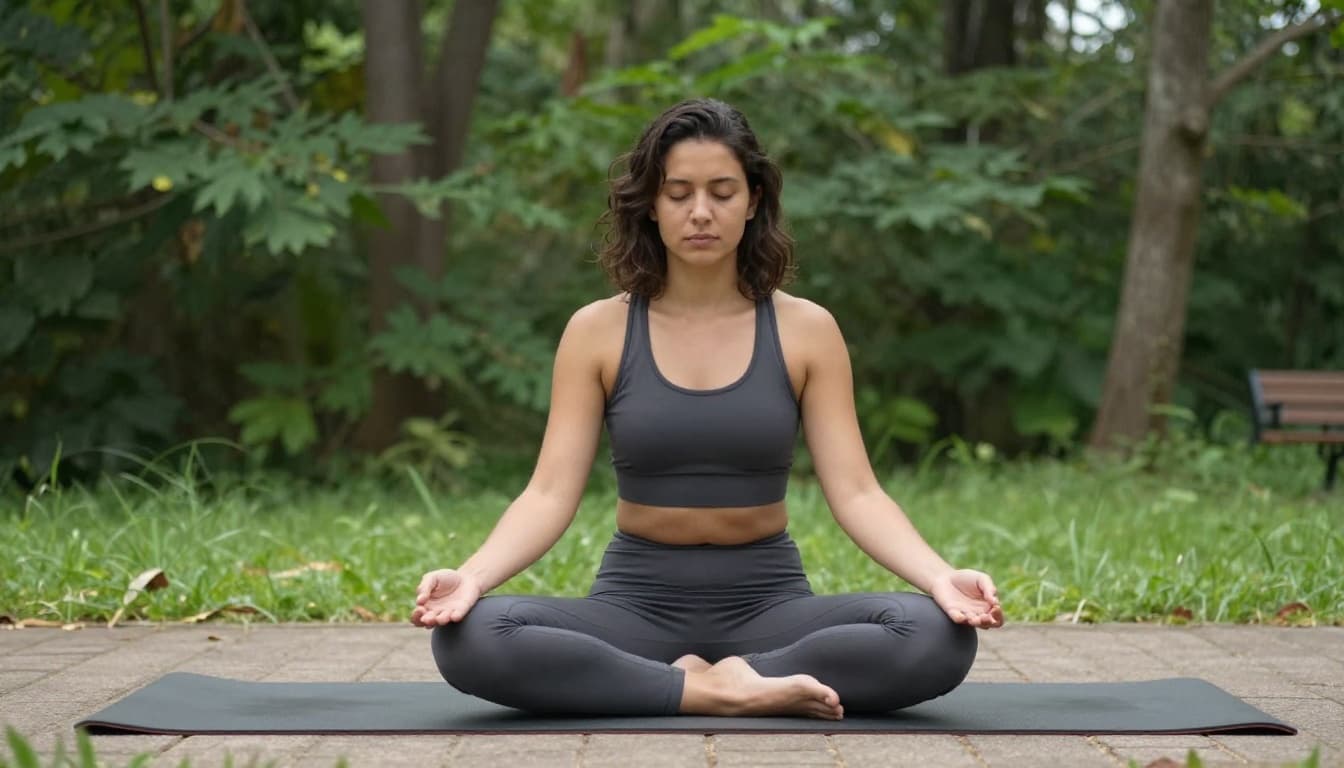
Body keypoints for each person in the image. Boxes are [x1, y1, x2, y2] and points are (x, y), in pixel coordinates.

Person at [411, 98, 1004, 720]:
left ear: (753, 201)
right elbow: (549, 493)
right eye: (679, 193)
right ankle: (716, 691)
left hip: (768, 602)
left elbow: (857, 492)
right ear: (650, 203)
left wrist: (940, 577)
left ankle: (712, 678)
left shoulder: (807, 330)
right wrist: (473, 577)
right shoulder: (597, 330)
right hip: (634, 603)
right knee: (471, 636)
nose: (701, 213)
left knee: (934, 633)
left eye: (722, 192)